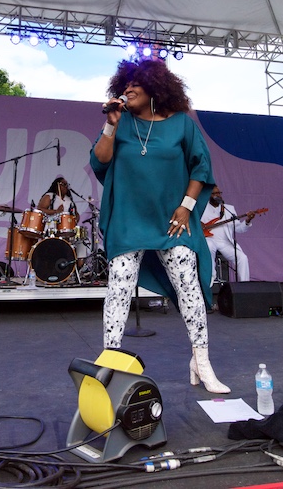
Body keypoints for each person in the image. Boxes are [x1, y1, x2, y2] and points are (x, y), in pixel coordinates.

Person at [91, 58, 229, 394]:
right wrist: (110, 125)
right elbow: (100, 160)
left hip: (171, 221)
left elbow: (201, 168)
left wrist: (186, 207)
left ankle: (201, 361)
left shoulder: (181, 124)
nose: (128, 89)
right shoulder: (120, 122)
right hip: (128, 220)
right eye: (125, 85)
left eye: (135, 84)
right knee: (119, 290)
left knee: (189, 288)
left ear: (155, 87)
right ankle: (109, 364)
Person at [201, 186, 256, 283]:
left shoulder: (229, 209)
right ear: (209, 195)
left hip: (225, 242)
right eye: (214, 193)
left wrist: (247, 221)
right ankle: (210, 278)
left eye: (219, 193)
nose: (218, 195)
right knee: (208, 246)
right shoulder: (202, 208)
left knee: (242, 258)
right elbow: (195, 224)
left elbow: (238, 228)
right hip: (209, 239)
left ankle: (245, 285)